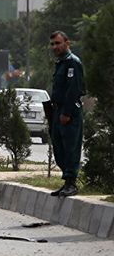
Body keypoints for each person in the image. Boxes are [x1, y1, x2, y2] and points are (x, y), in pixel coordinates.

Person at [48, 31, 85, 197]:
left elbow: (74, 90)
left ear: (67, 43)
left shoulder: (73, 63)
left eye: (58, 43)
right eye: (52, 44)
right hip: (57, 110)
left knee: (70, 147)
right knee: (59, 147)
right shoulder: (61, 63)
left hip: (69, 111)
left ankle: (71, 182)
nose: (54, 47)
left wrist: (67, 113)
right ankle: (66, 181)